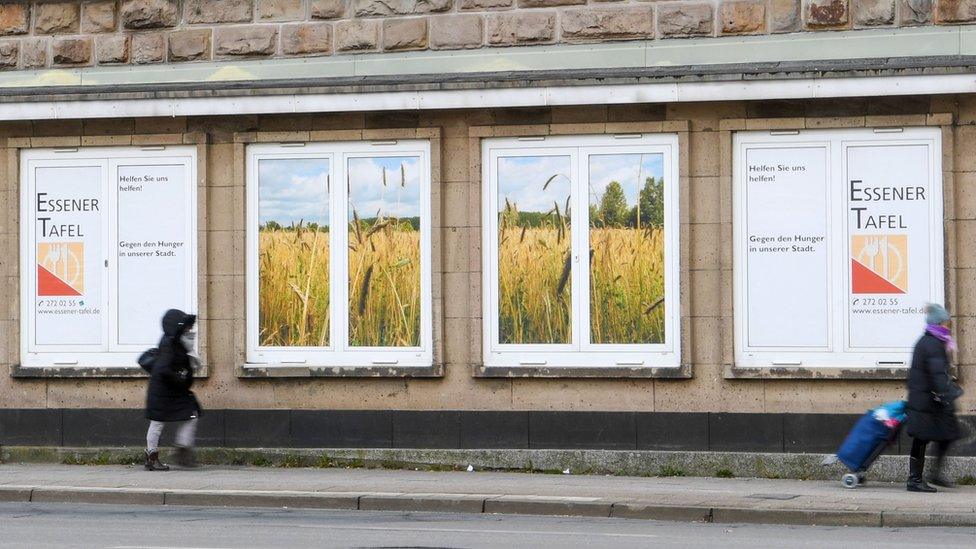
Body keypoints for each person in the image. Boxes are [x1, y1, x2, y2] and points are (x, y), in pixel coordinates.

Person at [905, 303, 962, 492]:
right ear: (938, 323)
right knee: (922, 439)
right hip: (925, 401)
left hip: (928, 400)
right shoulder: (932, 344)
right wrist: (949, 394)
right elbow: (938, 375)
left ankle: (933, 474)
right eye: (947, 324)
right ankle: (914, 480)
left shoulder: (932, 341)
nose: (948, 327)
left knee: (947, 433)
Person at [144, 309, 201, 471]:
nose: (190, 331)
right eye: (187, 328)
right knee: (157, 422)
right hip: (162, 392)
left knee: (192, 413)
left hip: (174, 391)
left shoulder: (178, 343)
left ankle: (182, 449)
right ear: (178, 328)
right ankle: (152, 458)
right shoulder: (169, 344)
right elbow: (163, 369)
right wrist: (180, 377)